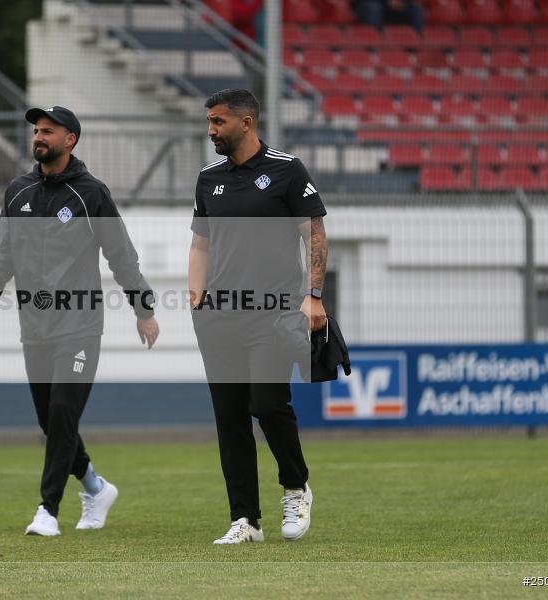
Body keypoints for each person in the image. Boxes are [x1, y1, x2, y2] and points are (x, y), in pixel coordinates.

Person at [0, 105, 160, 537]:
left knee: (61, 412)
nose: (38, 136)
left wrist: (144, 308)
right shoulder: (17, 191)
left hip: (80, 326)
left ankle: (47, 510)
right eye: (36, 130)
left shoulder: (92, 194)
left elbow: (121, 256)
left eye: (47, 131)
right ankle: (95, 486)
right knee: (51, 422)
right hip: (34, 327)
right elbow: (2, 255)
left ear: (69, 139)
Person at [189, 89, 328, 545]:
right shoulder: (208, 178)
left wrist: (313, 296)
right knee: (229, 418)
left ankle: (296, 485)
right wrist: (196, 296)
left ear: (246, 122)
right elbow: (201, 243)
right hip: (219, 316)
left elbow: (314, 232)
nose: (211, 131)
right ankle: (245, 520)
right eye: (209, 122)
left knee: (267, 404)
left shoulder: (286, 169)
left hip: (274, 311)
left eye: (218, 123)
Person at [352, 0, 424, 33]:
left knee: (416, 9)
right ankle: (375, 47)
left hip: (391, 8)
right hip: (368, 4)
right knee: (374, 8)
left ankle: (416, 45)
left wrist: (402, 2)